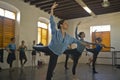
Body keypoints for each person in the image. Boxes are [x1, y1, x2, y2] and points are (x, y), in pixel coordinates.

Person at [33, 2, 88, 80]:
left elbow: (76, 40)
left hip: (55, 54)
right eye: (66, 23)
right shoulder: (55, 32)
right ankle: (36, 46)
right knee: (36, 47)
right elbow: (52, 21)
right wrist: (52, 9)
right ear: (61, 25)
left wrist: (84, 43)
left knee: (50, 70)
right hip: (49, 48)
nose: (67, 24)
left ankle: (49, 77)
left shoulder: (68, 37)